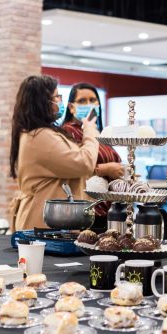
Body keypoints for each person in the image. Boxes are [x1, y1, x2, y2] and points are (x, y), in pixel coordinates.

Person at [9, 75, 99, 230]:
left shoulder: (42, 133)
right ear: (42, 102)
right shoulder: (40, 136)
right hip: (43, 222)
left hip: (53, 219)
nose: (59, 101)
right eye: (57, 96)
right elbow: (83, 163)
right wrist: (90, 132)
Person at [62, 83, 124, 233]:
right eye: (82, 101)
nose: (89, 105)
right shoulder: (67, 132)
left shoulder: (98, 134)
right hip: (87, 212)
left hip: (109, 211)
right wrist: (105, 169)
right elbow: (73, 167)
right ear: (71, 107)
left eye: (93, 100)